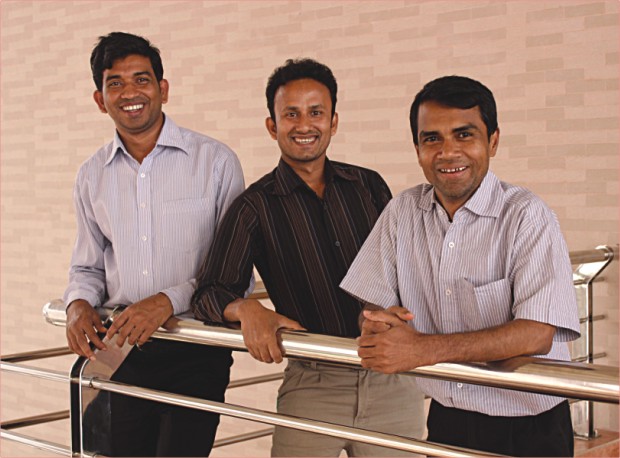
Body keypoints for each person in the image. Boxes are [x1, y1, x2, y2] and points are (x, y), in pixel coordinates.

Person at [191, 58, 425, 457]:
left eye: (316, 112)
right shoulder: (253, 206)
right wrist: (249, 310)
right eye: (291, 114)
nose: (305, 125)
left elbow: (402, 266)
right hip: (314, 384)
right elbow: (208, 293)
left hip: (392, 379)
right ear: (272, 126)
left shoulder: (368, 185)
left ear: (334, 121)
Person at [340, 75, 580, 457]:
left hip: (528, 427)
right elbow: (373, 307)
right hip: (447, 416)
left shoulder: (527, 216)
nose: (447, 152)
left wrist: (421, 349)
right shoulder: (402, 212)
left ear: (493, 141)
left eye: (464, 135)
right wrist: (377, 326)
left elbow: (536, 335)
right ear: (417, 148)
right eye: (431, 138)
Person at [63, 32, 245, 457]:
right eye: (115, 83)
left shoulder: (216, 162)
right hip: (121, 351)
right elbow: (87, 266)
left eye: (141, 80)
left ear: (163, 88)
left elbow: (235, 274)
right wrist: (77, 304)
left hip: (197, 349)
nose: (130, 93)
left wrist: (167, 301)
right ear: (100, 99)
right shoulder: (91, 175)